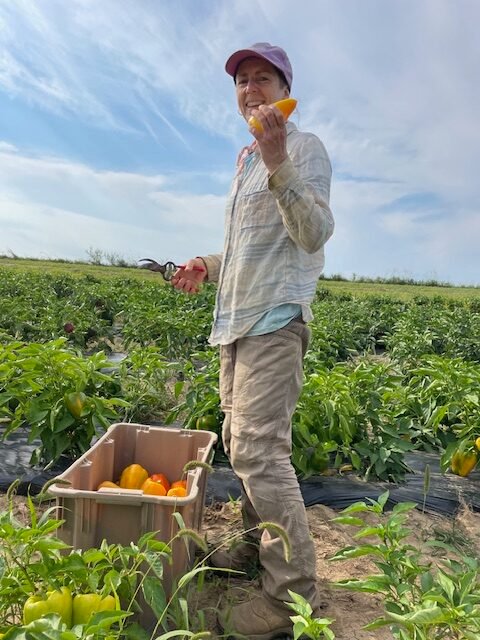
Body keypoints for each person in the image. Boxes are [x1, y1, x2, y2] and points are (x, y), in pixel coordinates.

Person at [171, 42, 334, 640]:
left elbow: (314, 232)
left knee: (261, 454)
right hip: (235, 325)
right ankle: (250, 549)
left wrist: (277, 158)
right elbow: (244, 251)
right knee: (240, 445)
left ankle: (290, 600)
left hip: (274, 321)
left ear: (284, 85)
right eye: (241, 81)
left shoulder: (301, 147)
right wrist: (205, 265)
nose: (249, 89)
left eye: (261, 77)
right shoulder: (243, 163)